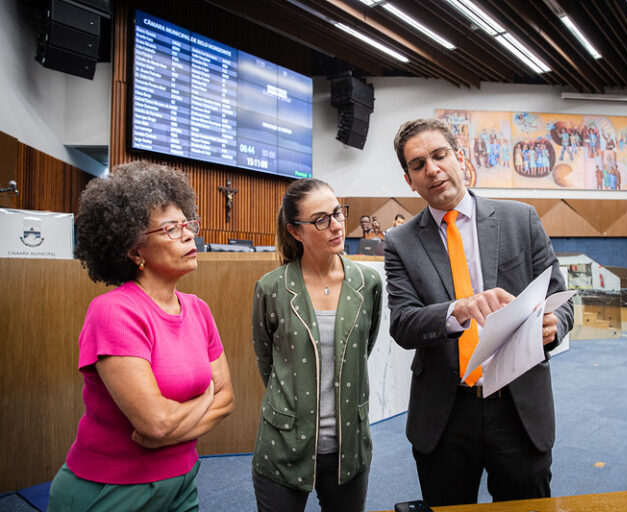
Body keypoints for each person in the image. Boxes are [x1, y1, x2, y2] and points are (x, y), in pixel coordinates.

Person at [384, 119, 573, 507]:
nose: (432, 169)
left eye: (439, 155)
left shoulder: (521, 219)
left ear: (459, 158)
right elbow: (403, 324)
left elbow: (562, 298)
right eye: (418, 165)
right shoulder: (400, 243)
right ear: (410, 180)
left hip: (517, 406)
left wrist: (556, 325)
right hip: (445, 413)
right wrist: (458, 309)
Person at [48, 162, 235, 511]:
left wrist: (167, 429)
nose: (189, 235)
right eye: (170, 229)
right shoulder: (113, 313)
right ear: (135, 251)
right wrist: (206, 395)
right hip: (111, 490)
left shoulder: (199, 309)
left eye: (187, 225)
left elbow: (227, 400)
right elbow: (155, 422)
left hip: (183, 482)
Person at [251, 178, 383, 512]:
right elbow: (267, 360)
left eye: (338, 213)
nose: (337, 225)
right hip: (283, 444)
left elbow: (361, 349)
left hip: (348, 448)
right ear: (296, 231)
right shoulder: (272, 287)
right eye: (321, 219)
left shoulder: (367, 283)